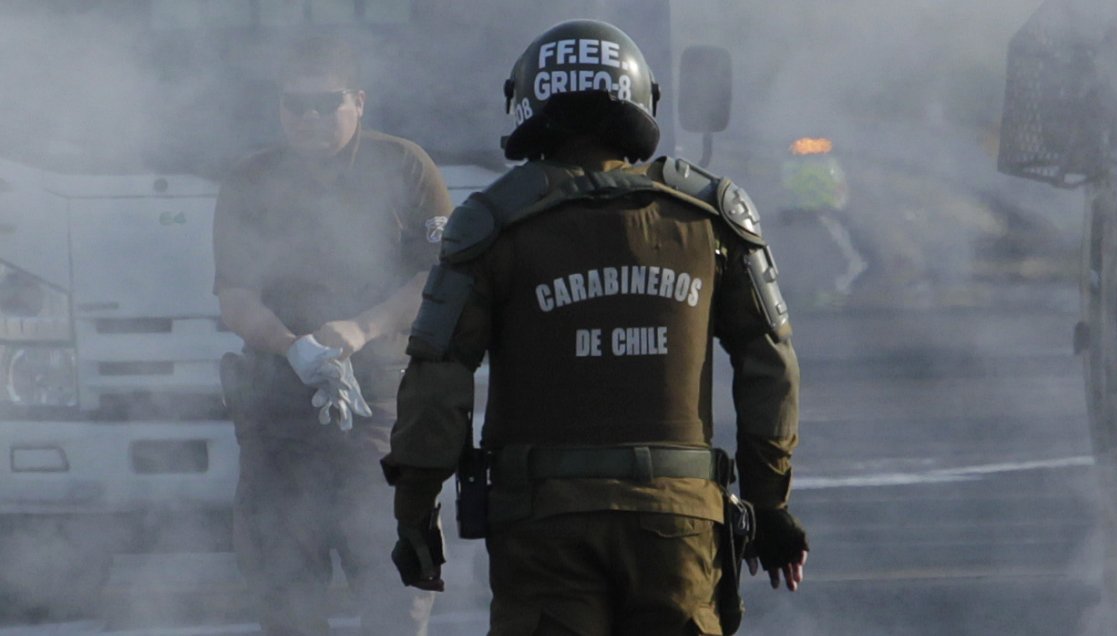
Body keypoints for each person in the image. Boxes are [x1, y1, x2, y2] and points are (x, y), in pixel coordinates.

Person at [381, 19, 807, 636]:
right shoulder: (709, 217)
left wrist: (415, 513)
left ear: (528, 103)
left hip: (544, 528)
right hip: (680, 523)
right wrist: (771, 506)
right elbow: (771, 362)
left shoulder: (493, 224)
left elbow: (438, 376)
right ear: (641, 100)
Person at [211, 35, 451, 636]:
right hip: (277, 426)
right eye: (296, 104)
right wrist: (292, 345)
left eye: (326, 102)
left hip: (383, 422)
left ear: (359, 101)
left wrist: (359, 328)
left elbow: (436, 281)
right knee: (285, 605)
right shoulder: (250, 179)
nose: (310, 117)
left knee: (396, 600)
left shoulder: (405, 166)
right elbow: (236, 296)